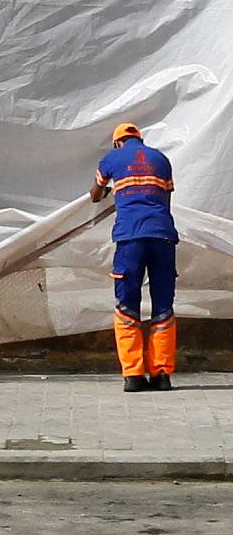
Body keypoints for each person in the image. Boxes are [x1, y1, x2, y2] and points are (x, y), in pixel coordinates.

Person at [91, 121, 179, 393]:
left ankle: (133, 375)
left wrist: (108, 189)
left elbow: (96, 195)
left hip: (130, 238)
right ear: (140, 139)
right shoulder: (161, 160)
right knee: (163, 304)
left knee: (127, 303)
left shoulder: (112, 158)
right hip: (163, 236)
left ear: (117, 142)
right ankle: (162, 375)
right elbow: (166, 200)